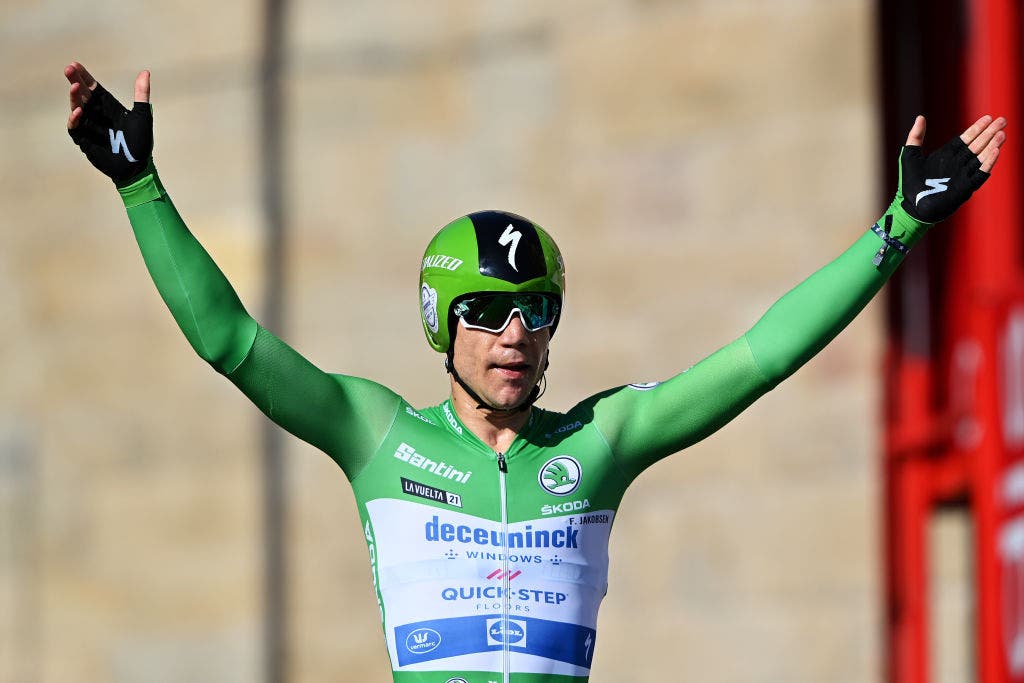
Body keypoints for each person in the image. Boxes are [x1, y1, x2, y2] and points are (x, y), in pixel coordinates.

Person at [64, 60, 1006, 683]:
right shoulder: (376, 433)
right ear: (442, 324)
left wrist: (902, 226)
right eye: (484, 311)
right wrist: (139, 184)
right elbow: (229, 340)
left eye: (536, 311)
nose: (514, 332)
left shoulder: (601, 440)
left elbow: (761, 354)